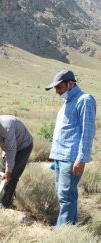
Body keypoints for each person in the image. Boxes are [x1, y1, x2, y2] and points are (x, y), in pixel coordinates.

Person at [45, 69, 96, 226]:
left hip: (71, 157)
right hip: (60, 157)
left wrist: (81, 159)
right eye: (55, 88)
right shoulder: (66, 103)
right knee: (64, 195)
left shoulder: (84, 100)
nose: (57, 92)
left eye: (59, 87)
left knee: (66, 196)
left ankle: (62, 232)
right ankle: (69, 227)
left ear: (71, 84)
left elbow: (87, 132)